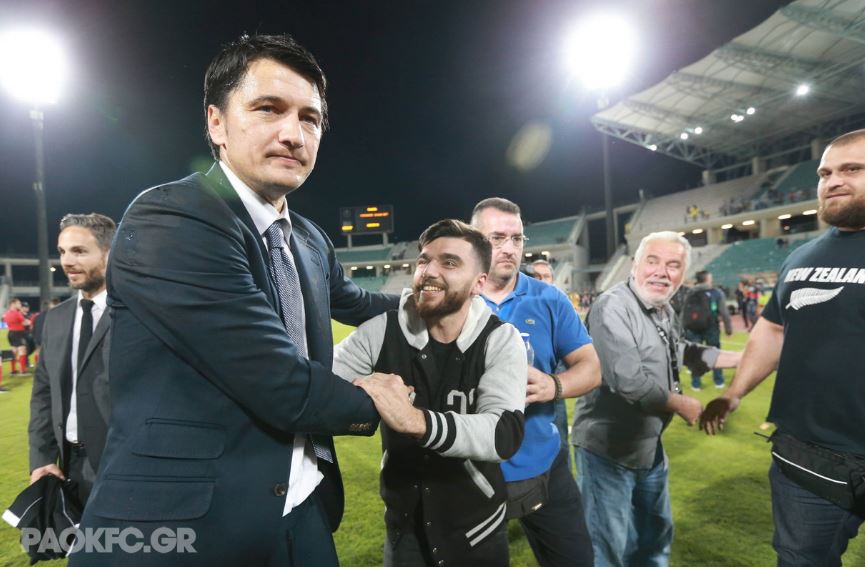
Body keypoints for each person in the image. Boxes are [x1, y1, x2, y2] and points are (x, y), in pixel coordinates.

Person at [70, 34, 398, 567]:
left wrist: (447, 301)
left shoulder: (308, 238)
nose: (293, 133)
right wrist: (387, 402)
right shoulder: (172, 219)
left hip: (303, 510)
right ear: (216, 123)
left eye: (310, 119)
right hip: (186, 528)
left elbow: (358, 302)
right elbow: (279, 383)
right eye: (268, 109)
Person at [701, 129, 865, 566]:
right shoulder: (800, 258)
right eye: (825, 173)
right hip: (809, 456)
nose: (833, 181)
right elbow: (772, 331)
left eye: (852, 169)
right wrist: (735, 393)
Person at [333, 219, 527, 567]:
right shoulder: (382, 331)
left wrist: (416, 421)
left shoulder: (500, 338)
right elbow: (323, 387)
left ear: (478, 283)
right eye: (424, 260)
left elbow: (503, 433)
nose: (428, 271)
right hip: (403, 526)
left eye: (449, 263)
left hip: (477, 530)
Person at [572, 231, 740, 566]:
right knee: (606, 549)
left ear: (683, 274)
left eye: (673, 265)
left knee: (654, 538)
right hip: (608, 451)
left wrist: (739, 359)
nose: (662, 272)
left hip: (649, 447)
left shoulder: (663, 308)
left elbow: (679, 350)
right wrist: (681, 404)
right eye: (653, 261)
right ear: (635, 265)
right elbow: (628, 380)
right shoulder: (613, 306)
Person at [471, 197, 601, 567]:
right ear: (474, 240)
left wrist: (553, 386)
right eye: (497, 238)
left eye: (517, 238)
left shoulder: (549, 298)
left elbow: (591, 368)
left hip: (542, 463)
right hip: (468, 470)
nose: (509, 248)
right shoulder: (454, 296)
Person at [28, 213, 116, 506]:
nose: (66, 261)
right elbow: (43, 394)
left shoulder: (136, 313)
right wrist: (42, 458)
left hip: (124, 465)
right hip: (70, 467)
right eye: (62, 251)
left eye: (79, 251)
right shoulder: (55, 319)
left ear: (108, 253)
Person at [529, 257, 574, 474]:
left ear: (552, 280)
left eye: (545, 276)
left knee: (560, 442)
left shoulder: (561, 307)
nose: (541, 280)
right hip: (522, 388)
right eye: (536, 276)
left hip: (554, 388)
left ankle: (561, 482)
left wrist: (556, 381)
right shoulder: (520, 305)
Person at [679, 270, 732, 390]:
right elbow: (724, 312)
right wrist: (728, 329)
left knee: (695, 355)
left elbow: (683, 312)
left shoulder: (689, 292)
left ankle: (696, 383)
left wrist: (681, 329)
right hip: (711, 328)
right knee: (714, 353)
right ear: (708, 279)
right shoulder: (716, 292)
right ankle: (718, 381)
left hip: (692, 328)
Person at [3, 297, 31, 378]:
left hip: (10, 333)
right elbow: (24, 323)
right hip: (18, 333)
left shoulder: (7, 313)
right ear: (13, 304)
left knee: (14, 351)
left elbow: (6, 321)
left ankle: (13, 370)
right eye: (18, 303)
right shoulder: (16, 313)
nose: (20, 305)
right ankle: (23, 371)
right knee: (22, 350)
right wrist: (31, 321)